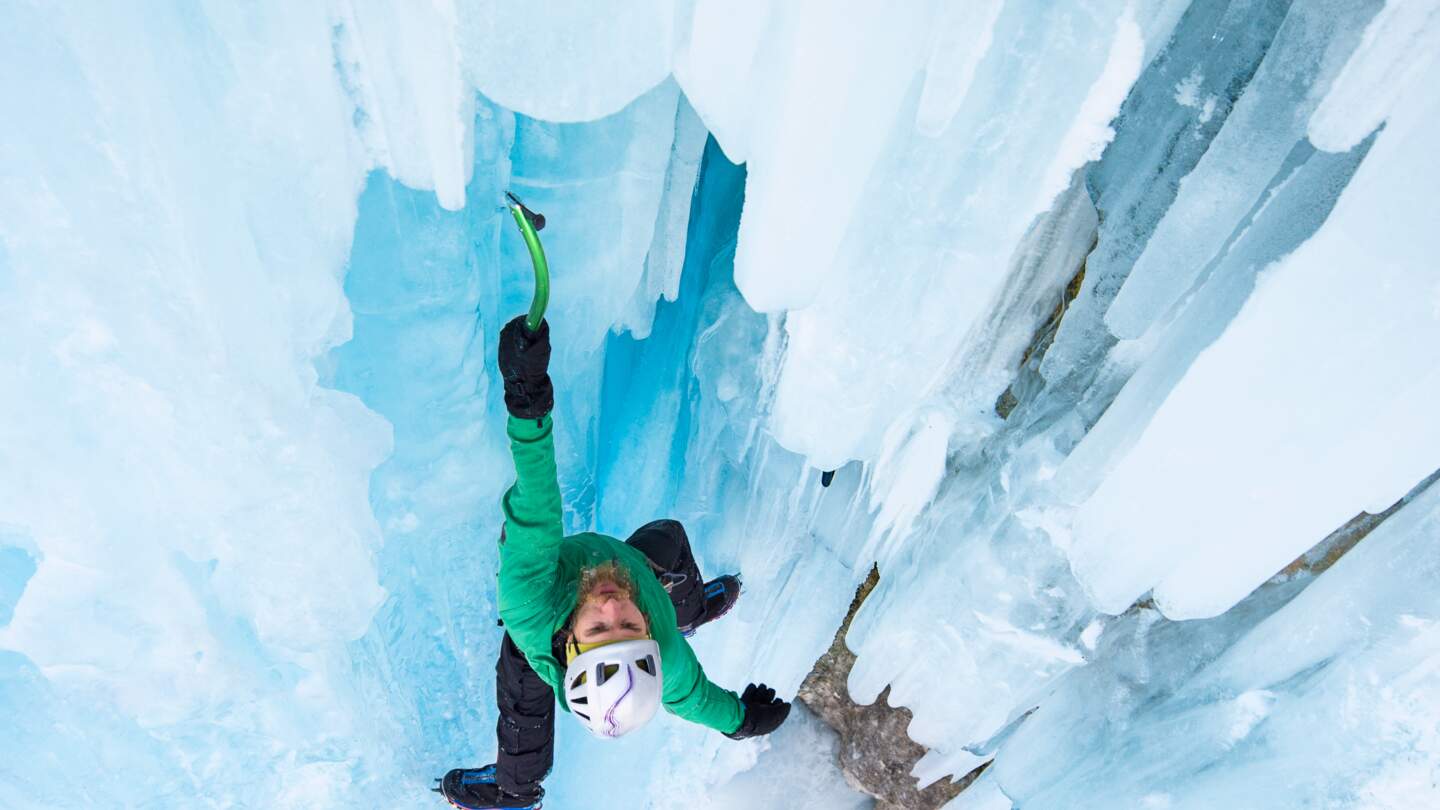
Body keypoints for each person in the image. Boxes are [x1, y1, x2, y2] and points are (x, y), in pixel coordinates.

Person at [438, 316, 792, 809]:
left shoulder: (530, 606)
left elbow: (537, 505)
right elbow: (696, 699)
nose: (612, 606)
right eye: (629, 622)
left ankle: (513, 788)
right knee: (667, 539)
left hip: (542, 617)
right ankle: (688, 610)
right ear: (649, 630)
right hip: (633, 571)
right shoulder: (664, 652)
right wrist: (743, 721)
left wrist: (526, 394)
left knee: (524, 701)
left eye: (601, 630)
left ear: (570, 645)